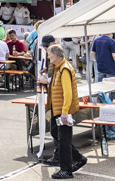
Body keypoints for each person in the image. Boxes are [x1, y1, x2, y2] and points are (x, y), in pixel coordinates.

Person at [44, 44, 85, 179]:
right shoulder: (59, 67)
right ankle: (78, 158)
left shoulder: (64, 69)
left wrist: (65, 112)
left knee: (64, 140)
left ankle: (66, 170)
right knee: (57, 134)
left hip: (63, 110)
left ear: (55, 56)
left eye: (49, 54)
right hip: (58, 109)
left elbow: (68, 93)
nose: (48, 57)